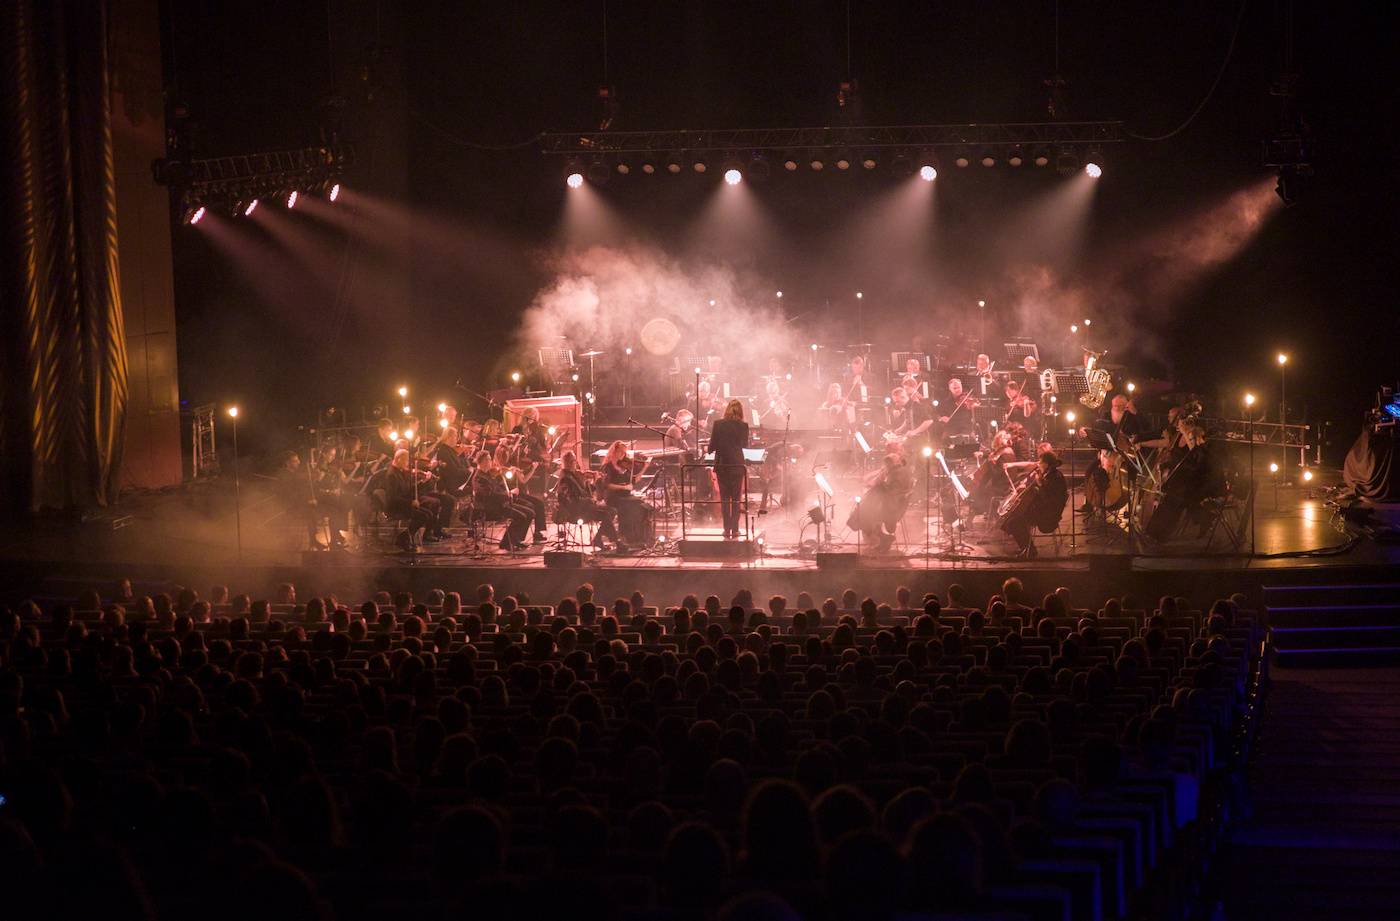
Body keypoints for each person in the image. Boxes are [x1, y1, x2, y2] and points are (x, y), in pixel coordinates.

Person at [1079, 394, 1147, 514]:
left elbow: (1144, 429)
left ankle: (1130, 509)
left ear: (1126, 406)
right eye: (1115, 406)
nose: (1117, 408)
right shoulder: (1107, 416)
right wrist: (1085, 431)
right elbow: (1096, 427)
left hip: (1126, 458)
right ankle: (1089, 503)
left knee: (1129, 475)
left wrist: (1135, 413)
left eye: (1121, 406)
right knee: (1089, 471)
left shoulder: (1133, 417)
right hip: (1107, 455)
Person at [999, 450, 1068, 559]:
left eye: (1040, 462)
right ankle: (1026, 547)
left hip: (1049, 514)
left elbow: (1049, 499)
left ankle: (1030, 551)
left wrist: (1039, 484)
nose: (1038, 464)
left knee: (1014, 522)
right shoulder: (1048, 474)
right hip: (1042, 509)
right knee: (1013, 518)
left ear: (1046, 464)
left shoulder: (1055, 477)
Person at [846, 446, 914, 552]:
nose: (886, 467)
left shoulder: (897, 473)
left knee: (865, 513)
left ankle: (880, 537)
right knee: (866, 509)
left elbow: (892, 491)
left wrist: (879, 487)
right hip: (894, 504)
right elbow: (890, 488)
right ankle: (879, 536)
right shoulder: (900, 471)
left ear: (892, 463)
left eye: (887, 464)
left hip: (892, 507)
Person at [555, 451, 621, 551]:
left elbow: (586, 491)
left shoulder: (573, 475)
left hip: (585, 508)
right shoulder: (566, 478)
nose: (575, 463)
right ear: (567, 463)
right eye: (573, 461)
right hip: (576, 512)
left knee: (612, 510)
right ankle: (616, 542)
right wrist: (591, 501)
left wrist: (594, 480)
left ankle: (598, 538)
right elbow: (572, 501)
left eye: (575, 461)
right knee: (606, 514)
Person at [472, 450, 535, 549]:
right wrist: (509, 493)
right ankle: (506, 543)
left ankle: (515, 539)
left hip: (501, 504)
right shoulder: (478, 478)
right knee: (521, 517)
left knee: (530, 513)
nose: (491, 462)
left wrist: (507, 488)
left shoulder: (488, 475)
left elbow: (497, 489)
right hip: (491, 508)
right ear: (483, 461)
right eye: (489, 459)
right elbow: (490, 495)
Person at [707, 399, 751, 539]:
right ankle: (735, 530)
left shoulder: (718, 424)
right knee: (737, 498)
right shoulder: (743, 426)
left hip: (722, 465)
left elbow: (711, 447)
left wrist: (712, 448)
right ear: (740, 411)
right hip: (737, 465)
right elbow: (744, 444)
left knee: (725, 499)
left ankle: (726, 530)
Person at [599, 440, 651, 545]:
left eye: (625, 452)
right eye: (621, 452)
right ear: (614, 452)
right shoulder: (607, 467)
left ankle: (639, 537)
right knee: (634, 504)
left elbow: (634, 480)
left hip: (625, 496)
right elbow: (607, 485)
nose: (624, 454)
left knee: (643, 505)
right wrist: (623, 487)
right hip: (613, 497)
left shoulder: (624, 466)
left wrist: (645, 467)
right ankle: (626, 535)